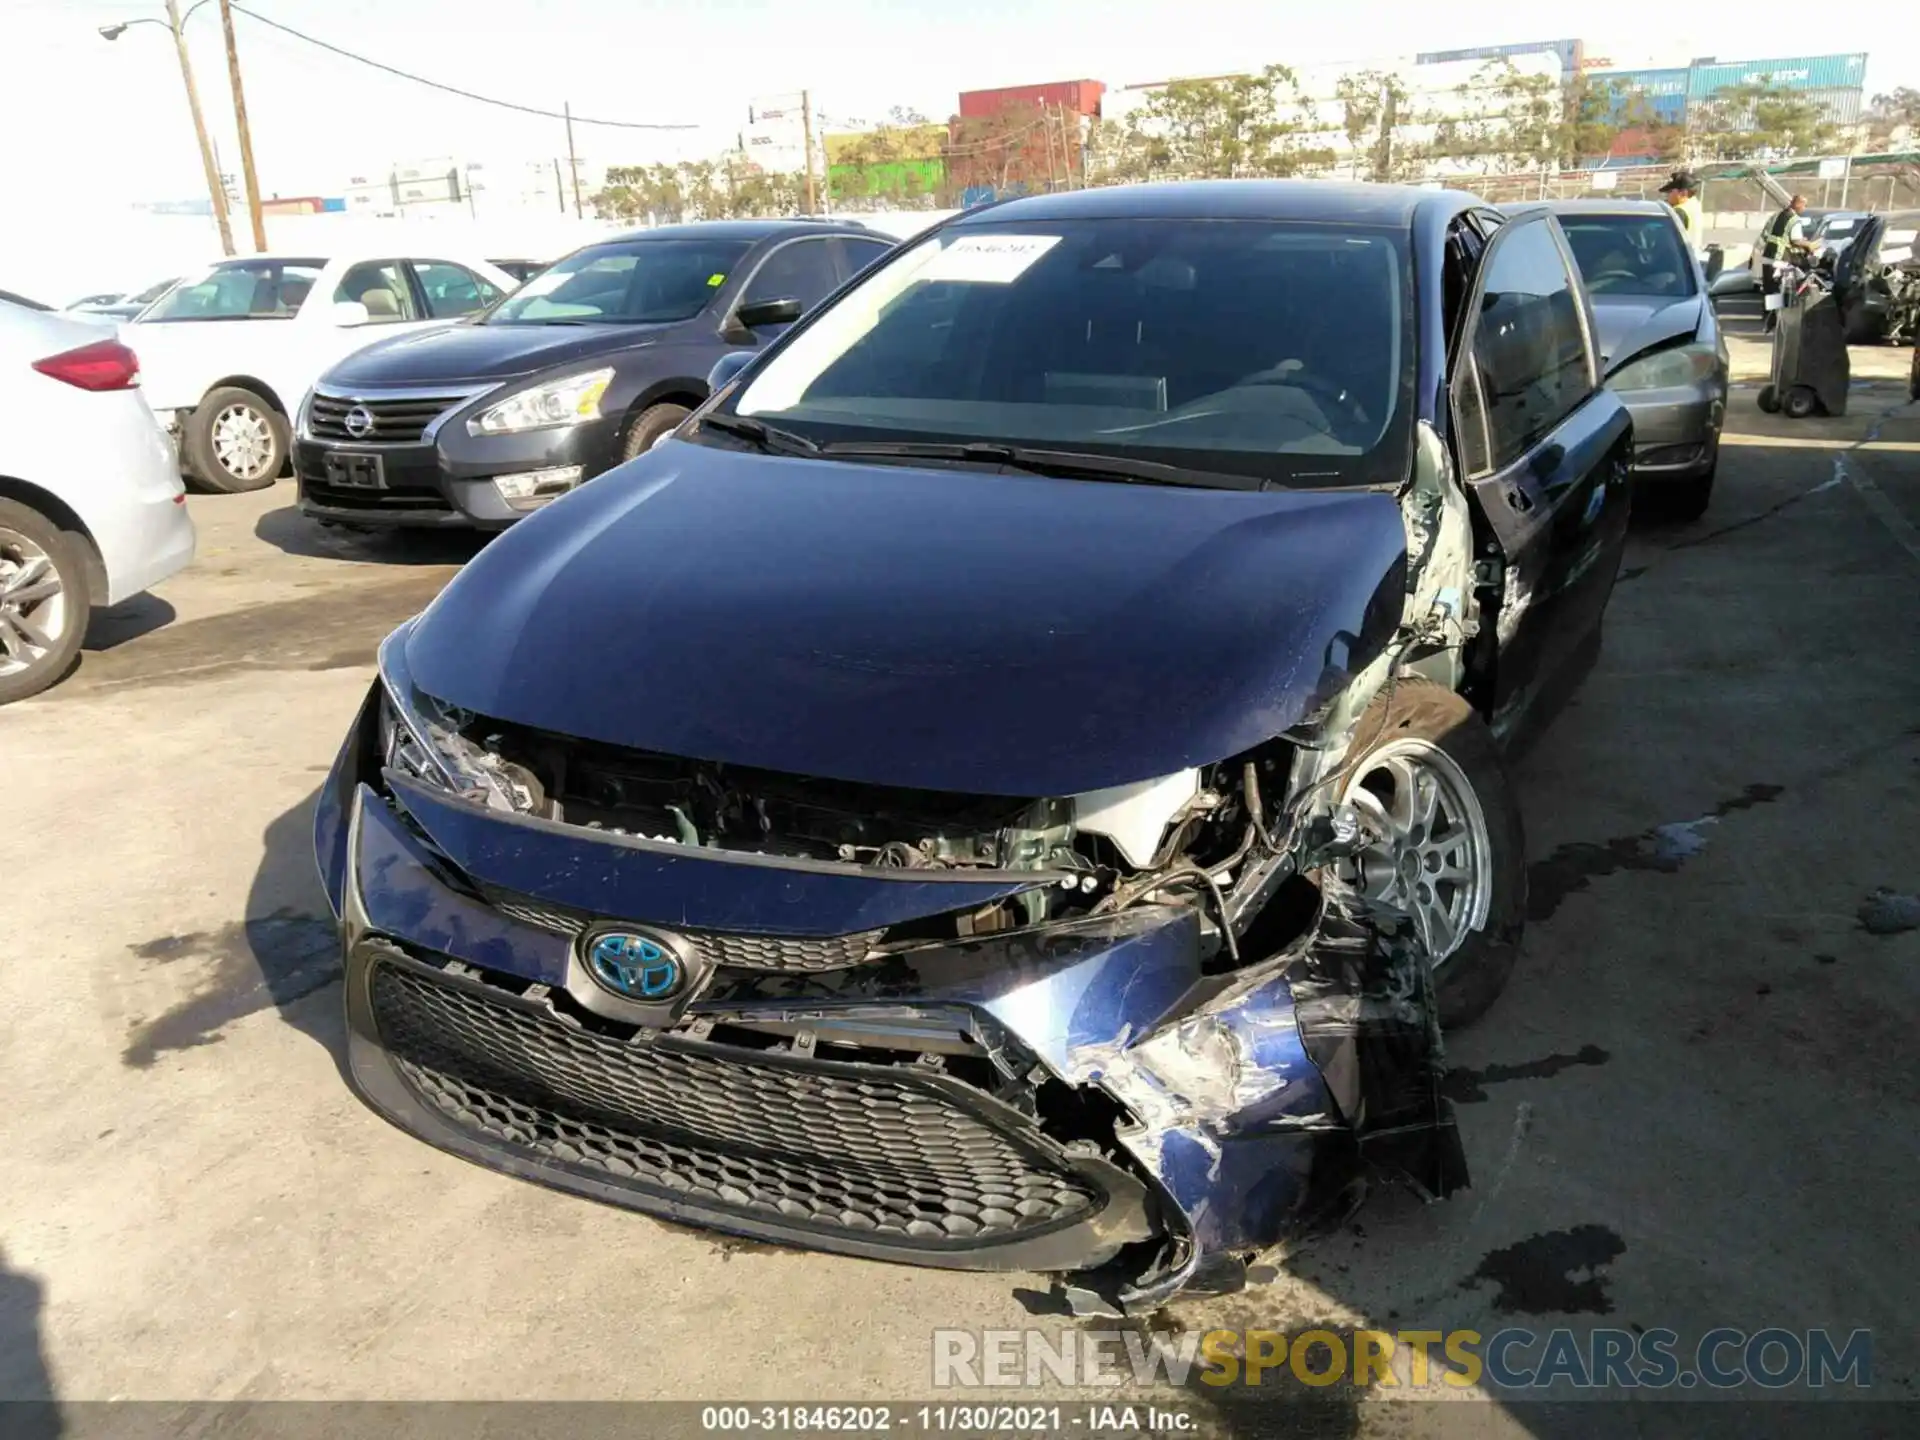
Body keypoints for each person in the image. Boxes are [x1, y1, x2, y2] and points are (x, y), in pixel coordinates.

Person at [1757, 193, 1816, 333]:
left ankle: (1768, 319)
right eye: (1804, 205)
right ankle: (1775, 321)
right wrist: (1809, 245)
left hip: (1768, 256)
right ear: (1797, 204)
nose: (1804, 208)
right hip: (1779, 259)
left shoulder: (1778, 215)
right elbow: (1796, 239)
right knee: (1779, 288)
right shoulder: (1794, 219)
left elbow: (1766, 234)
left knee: (1769, 288)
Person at [1659, 170, 1704, 260]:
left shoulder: (1679, 211)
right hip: (1691, 257)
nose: (1668, 196)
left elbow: (1666, 242)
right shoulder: (1694, 204)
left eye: (1670, 192)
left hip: (1680, 260)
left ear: (1683, 193)